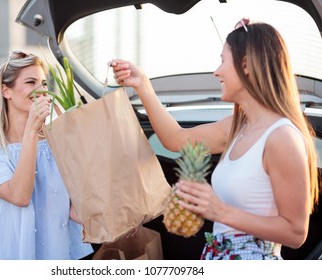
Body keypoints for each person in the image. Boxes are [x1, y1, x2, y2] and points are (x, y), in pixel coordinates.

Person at [111, 19, 320, 260]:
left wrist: (219, 211)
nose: (216, 71)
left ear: (246, 65)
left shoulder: (282, 137)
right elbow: (175, 139)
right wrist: (142, 84)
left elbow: (295, 232)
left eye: (223, 61)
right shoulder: (237, 128)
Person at [0, 51, 93, 260]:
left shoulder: (57, 141)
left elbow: (73, 210)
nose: (41, 90)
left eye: (44, 83)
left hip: (62, 254)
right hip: (14, 254)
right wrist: (31, 132)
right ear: (6, 91)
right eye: (31, 82)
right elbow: (20, 196)